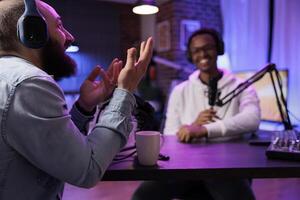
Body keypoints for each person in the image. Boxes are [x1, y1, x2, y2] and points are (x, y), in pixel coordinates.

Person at [0, 0, 153, 199]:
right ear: (32, 31)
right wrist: (125, 91)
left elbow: (56, 150)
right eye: (59, 26)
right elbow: (87, 170)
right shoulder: (29, 83)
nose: (70, 37)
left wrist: (84, 106)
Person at [132, 28, 260, 200]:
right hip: (186, 166)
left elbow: (252, 119)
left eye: (208, 48)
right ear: (190, 56)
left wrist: (205, 130)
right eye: (196, 50)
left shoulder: (242, 86)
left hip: (225, 166)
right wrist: (193, 125)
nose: (203, 54)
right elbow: (170, 133)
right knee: (143, 195)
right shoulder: (180, 90)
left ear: (219, 49)